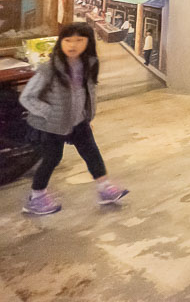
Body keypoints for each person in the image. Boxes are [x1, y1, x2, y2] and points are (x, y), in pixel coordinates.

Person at [19, 21, 128, 216]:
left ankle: (105, 188)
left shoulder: (89, 65)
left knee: (91, 152)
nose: (73, 45)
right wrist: (50, 113)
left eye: (79, 40)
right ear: (61, 42)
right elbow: (27, 97)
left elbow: (87, 94)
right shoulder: (49, 69)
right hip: (53, 125)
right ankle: (36, 198)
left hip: (79, 122)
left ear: (88, 43)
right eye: (68, 40)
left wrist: (87, 116)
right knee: (52, 159)